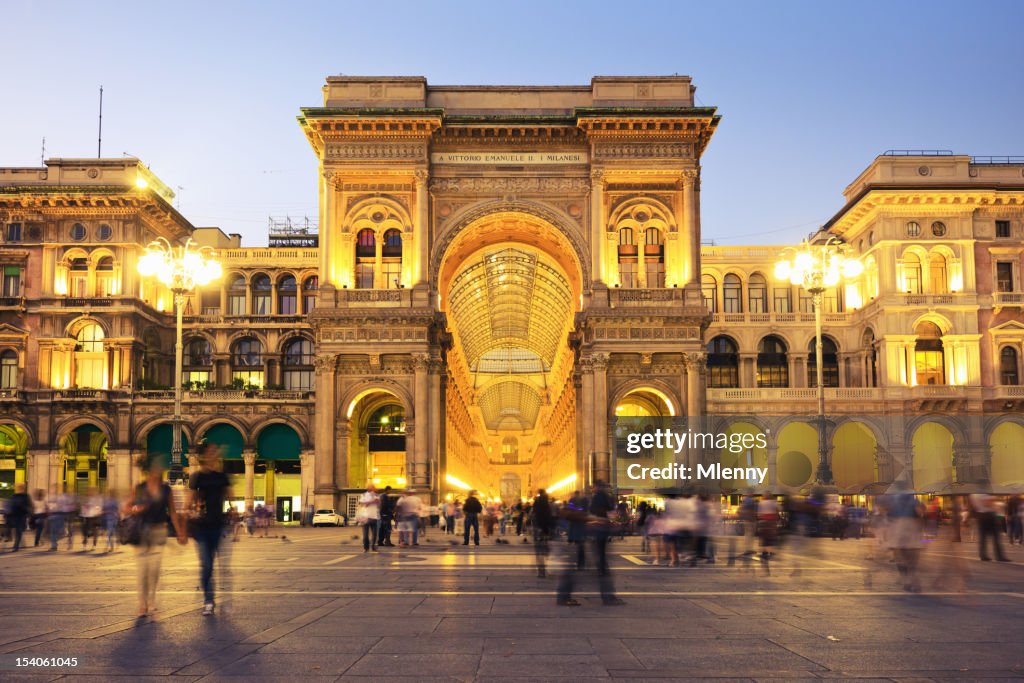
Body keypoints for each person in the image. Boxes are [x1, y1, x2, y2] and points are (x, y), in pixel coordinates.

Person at [128, 459, 187, 618]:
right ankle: (142, 603)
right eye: (155, 467)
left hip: (159, 530)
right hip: (141, 531)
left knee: (154, 569)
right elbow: (127, 507)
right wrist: (136, 508)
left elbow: (173, 512)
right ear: (149, 470)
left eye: (159, 468)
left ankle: (152, 601)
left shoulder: (166, 489)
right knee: (142, 569)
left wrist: (180, 531)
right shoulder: (139, 488)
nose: (158, 470)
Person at [557, 480, 624, 606]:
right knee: (594, 567)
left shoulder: (595, 499)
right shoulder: (585, 501)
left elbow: (604, 515)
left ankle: (608, 597)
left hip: (589, 537)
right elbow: (567, 512)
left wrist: (603, 521)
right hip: (584, 537)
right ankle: (564, 597)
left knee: (600, 567)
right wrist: (590, 518)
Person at [188, 444, 233, 616]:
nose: (213, 454)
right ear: (204, 456)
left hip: (219, 524)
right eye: (210, 451)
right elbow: (189, 500)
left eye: (215, 452)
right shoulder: (197, 477)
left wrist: (234, 520)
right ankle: (208, 600)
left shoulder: (222, 476)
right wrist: (189, 514)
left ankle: (225, 600)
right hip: (202, 526)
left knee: (224, 565)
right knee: (206, 565)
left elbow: (230, 497)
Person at [969, 492, 1009, 562]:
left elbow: (974, 506)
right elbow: (987, 503)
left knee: (983, 538)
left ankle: (983, 555)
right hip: (989, 516)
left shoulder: (973, 495)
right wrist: (997, 515)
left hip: (980, 516)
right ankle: (999, 556)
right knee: (996, 537)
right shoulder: (984, 493)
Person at [532, 489, 554, 577]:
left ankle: (541, 571)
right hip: (545, 530)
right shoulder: (547, 504)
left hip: (538, 529)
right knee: (545, 549)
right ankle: (544, 568)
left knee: (538, 550)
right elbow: (549, 518)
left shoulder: (536, 503)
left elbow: (534, 515)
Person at [6, 483, 31, 552]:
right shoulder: (21, 496)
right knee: (19, 531)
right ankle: (16, 546)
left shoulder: (17, 496)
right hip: (19, 516)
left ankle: (16, 546)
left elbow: (28, 505)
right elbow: (29, 505)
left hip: (18, 516)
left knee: (18, 531)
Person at [356, 483, 380, 552]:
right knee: (365, 534)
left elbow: (378, 503)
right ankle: (366, 548)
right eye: (372, 487)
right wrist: (371, 502)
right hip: (365, 516)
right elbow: (362, 504)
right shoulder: (364, 495)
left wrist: (370, 502)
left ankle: (373, 546)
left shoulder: (376, 495)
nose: (373, 488)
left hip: (374, 516)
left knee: (374, 534)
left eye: (373, 487)